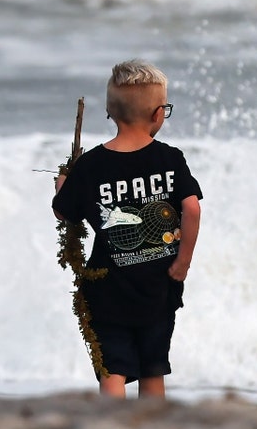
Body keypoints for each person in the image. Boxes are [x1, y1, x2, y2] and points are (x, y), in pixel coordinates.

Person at [52, 60, 203, 398]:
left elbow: (64, 213)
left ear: (110, 112)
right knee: (153, 369)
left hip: (106, 289)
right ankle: (150, 428)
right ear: (157, 115)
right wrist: (183, 262)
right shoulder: (170, 159)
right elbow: (192, 208)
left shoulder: (90, 166)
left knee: (113, 370)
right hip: (159, 285)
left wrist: (64, 183)